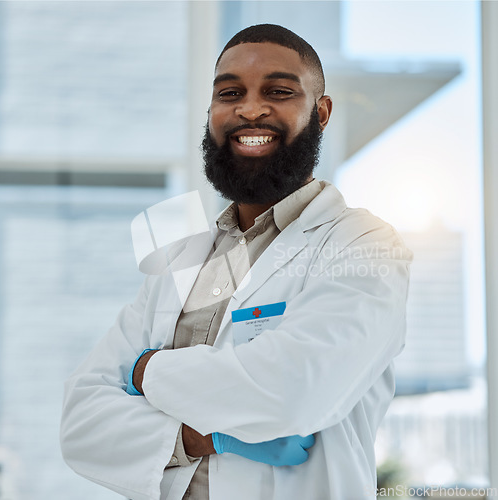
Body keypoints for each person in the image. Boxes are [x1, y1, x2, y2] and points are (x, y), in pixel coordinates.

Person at [60, 24, 412, 500]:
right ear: (211, 112)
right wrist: (204, 437)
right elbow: (81, 423)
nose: (250, 108)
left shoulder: (364, 244)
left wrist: (145, 371)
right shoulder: (181, 260)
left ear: (321, 112)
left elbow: (296, 390)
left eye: (279, 91)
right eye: (230, 93)